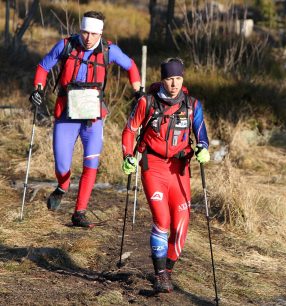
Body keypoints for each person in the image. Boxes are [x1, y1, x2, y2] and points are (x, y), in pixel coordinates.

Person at [29, 11, 141, 228]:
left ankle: (79, 212)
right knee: (62, 165)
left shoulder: (110, 50)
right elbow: (43, 67)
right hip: (66, 114)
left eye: (93, 33)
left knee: (91, 163)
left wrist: (137, 90)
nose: (88, 37)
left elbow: (131, 66)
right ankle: (63, 185)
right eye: (84, 32)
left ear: (100, 32)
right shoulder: (66, 45)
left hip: (93, 116)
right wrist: (38, 89)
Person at [121, 58, 210, 293]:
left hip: (179, 170)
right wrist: (128, 156)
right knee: (162, 221)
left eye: (178, 78)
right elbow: (130, 130)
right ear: (162, 79)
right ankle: (159, 274)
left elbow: (201, 134)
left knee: (181, 226)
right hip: (154, 167)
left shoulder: (192, 105)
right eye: (170, 79)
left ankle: (167, 270)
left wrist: (203, 149)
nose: (174, 84)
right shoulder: (147, 102)